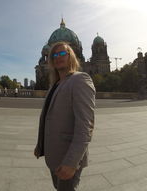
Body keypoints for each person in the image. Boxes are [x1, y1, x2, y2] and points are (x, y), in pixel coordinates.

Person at [34, 41, 96, 191]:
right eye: (54, 55)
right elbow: (48, 118)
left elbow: (85, 126)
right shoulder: (54, 85)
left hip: (68, 157)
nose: (58, 57)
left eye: (63, 53)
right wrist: (40, 145)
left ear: (72, 56)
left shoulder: (80, 79)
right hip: (54, 155)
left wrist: (72, 162)